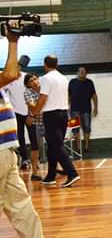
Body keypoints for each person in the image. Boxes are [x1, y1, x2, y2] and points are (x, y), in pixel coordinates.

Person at [0, 30, 63, 238]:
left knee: (20, 201)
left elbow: (11, 75)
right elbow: (11, 73)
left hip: (7, 151)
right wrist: (13, 42)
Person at [31, 55, 80, 188]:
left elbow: (43, 97)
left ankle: (72, 173)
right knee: (53, 146)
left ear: (45, 65)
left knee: (57, 146)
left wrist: (35, 110)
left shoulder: (46, 78)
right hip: (64, 114)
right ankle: (50, 176)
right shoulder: (63, 78)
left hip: (51, 115)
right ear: (57, 64)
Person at [1, 64, 29, 169]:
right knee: (20, 137)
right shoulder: (8, 79)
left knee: (34, 137)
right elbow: (4, 89)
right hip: (17, 112)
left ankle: (37, 160)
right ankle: (25, 159)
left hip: (29, 112)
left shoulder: (27, 77)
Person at [68, 67, 97, 153]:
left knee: (87, 127)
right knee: (75, 128)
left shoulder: (89, 82)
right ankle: (78, 147)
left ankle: (87, 147)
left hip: (86, 108)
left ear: (86, 73)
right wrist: (66, 107)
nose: (82, 73)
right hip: (74, 109)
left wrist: (96, 107)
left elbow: (94, 95)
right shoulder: (72, 82)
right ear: (77, 72)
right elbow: (68, 95)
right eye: (81, 71)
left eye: (84, 71)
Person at [22, 74, 43, 181]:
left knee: (54, 145)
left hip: (47, 121)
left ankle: (56, 168)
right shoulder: (27, 92)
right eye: (31, 81)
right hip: (34, 122)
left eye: (35, 79)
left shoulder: (44, 89)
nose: (34, 81)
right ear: (27, 84)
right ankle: (34, 172)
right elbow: (33, 107)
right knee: (35, 147)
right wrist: (32, 114)